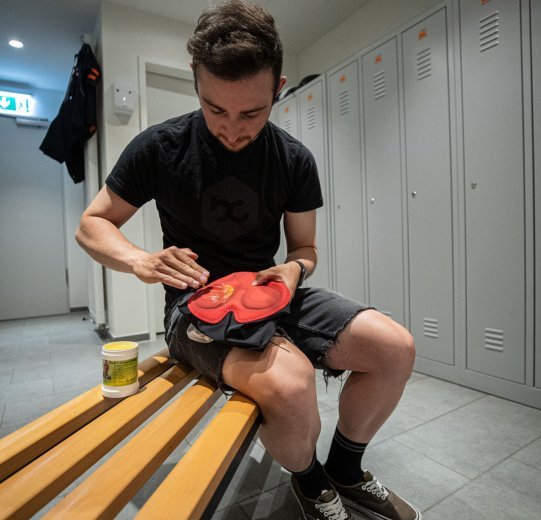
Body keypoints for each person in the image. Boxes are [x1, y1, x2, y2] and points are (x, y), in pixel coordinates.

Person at [76, 1, 420, 519]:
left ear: (277, 89)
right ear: (196, 82)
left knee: (395, 348)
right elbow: (92, 224)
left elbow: (305, 249)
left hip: (270, 291)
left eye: (252, 113)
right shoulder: (160, 147)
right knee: (292, 383)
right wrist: (141, 261)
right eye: (216, 110)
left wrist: (294, 269)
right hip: (194, 308)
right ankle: (310, 481)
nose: (232, 129)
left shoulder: (294, 160)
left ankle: (346, 469)